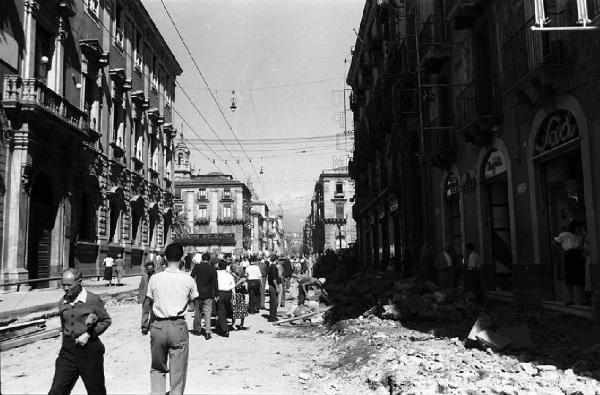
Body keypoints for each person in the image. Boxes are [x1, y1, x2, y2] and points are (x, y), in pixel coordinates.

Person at [144, 243, 199, 395]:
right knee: (178, 370)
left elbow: (147, 303)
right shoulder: (188, 280)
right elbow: (194, 305)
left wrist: (144, 325)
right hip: (178, 326)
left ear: (165, 258)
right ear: (181, 258)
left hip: (158, 327)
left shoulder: (154, 278)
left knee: (157, 367)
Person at [49, 268, 112, 395]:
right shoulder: (62, 302)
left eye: (69, 285)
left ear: (79, 282)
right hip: (67, 353)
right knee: (57, 390)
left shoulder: (92, 299)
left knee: (96, 391)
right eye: (63, 285)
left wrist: (89, 334)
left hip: (90, 352)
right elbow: (64, 326)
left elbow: (106, 320)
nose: (66, 288)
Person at [554, 222, 585, 305]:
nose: (578, 229)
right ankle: (570, 299)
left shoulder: (580, 236)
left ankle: (581, 299)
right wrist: (562, 251)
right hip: (569, 254)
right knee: (569, 277)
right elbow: (555, 241)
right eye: (577, 228)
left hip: (578, 254)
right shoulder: (565, 234)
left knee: (580, 277)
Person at [190, 252, 218, 339]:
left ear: (202, 259)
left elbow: (191, 277)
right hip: (209, 293)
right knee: (207, 313)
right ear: (209, 259)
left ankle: (197, 330)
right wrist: (216, 293)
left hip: (198, 292)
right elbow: (215, 282)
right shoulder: (212, 268)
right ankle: (208, 331)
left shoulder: (197, 267)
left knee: (197, 312)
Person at [216, 260, 236, 337]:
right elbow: (233, 287)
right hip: (228, 293)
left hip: (220, 293)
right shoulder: (229, 275)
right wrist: (234, 297)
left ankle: (225, 329)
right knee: (225, 310)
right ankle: (223, 325)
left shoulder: (216, 274)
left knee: (221, 311)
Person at [138, 261, 156, 334]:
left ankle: (151, 325)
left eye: (151, 269)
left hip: (154, 296)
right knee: (145, 312)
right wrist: (139, 296)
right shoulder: (144, 276)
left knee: (153, 312)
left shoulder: (157, 276)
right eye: (148, 269)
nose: (150, 270)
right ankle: (144, 327)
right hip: (146, 297)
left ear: (153, 268)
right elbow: (141, 286)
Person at [267, 256, 281, 322]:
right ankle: (272, 317)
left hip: (271, 286)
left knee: (273, 302)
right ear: (276, 260)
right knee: (274, 302)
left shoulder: (270, 266)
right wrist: (277, 287)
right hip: (273, 286)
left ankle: (273, 316)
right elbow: (274, 278)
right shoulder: (273, 267)